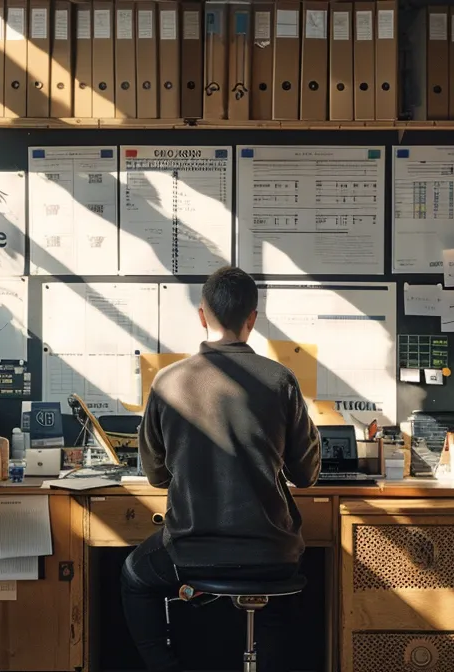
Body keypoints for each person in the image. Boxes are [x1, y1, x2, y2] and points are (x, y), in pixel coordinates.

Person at [120, 266, 321, 672]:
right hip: (273, 553)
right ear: (252, 319)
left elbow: (157, 476)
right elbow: (306, 474)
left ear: (201, 314)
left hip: (193, 552)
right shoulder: (281, 379)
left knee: (133, 576)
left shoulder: (167, 382)